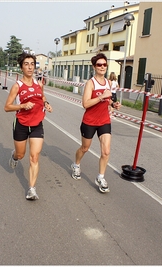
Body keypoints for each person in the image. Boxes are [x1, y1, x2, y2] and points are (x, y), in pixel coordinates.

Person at [4, 52, 53, 200]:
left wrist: (46, 104)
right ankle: (14, 156)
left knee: (34, 157)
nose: (30, 67)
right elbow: (7, 107)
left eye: (32, 64)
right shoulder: (17, 86)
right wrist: (23, 105)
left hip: (37, 124)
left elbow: (41, 97)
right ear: (21, 67)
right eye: (26, 64)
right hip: (21, 124)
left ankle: (32, 189)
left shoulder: (39, 84)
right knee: (21, 154)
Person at [71, 53, 121, 193]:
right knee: (85, 148)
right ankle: (76, 164)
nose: (102, 67)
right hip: (90, 121)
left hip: (104, 120)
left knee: (106, 151)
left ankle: (100, 177)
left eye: (104, 64)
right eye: (99, 64)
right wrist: (102, 97)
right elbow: (85, 104)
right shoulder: (90, 83)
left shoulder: (109, 83)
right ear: (94, 67)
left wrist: (113, 103)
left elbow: (108, 100)